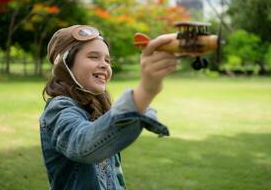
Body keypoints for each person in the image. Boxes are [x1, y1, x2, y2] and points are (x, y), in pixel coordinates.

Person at [40, 25, 178, 190]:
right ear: (65, 64)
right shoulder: (59, 109)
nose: (104, 65)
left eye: (107, 60)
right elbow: (83, 144)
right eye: (93, 57)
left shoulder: (96, 109)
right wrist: (145, 91)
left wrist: (141, 107)